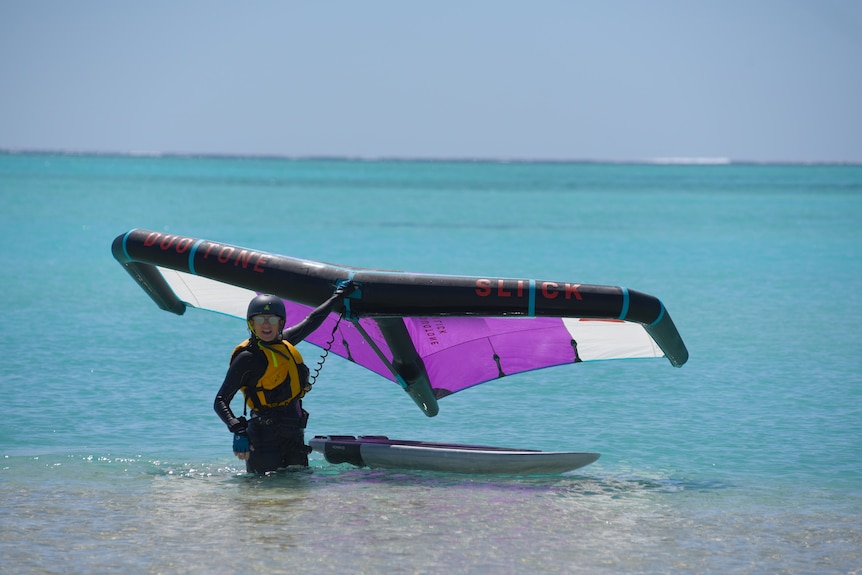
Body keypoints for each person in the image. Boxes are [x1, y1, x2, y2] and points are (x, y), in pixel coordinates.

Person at [213, 282, 355, 474]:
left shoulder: (284, 344)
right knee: (264, 494)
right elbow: (220, 400)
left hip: (293, 436)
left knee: (297, 494)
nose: (266, 325)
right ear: (251, 324)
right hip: (262, 440)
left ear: (280, 323)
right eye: (260, 319)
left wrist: (337, 297)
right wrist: (237, 430)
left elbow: (312, 320)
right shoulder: (247, 358)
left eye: (272, 320)